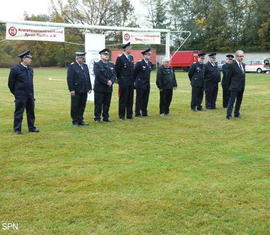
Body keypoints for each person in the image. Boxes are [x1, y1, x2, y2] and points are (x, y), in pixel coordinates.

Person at [8, 50, 39, 134]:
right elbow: (11, 84)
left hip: (30, 95)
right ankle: (17, 129)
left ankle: (31, 128)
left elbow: (30, 83)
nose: (30, 60)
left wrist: (32, 94)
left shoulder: (30, 69)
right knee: (19, 112)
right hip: (20, 95)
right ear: (24, 59)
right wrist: (17, 93)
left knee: (31, 112)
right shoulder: (15, 69)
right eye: (29, 58)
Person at [67, 52, 92, 126]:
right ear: (77, 58)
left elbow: (87, 77)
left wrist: (89, 87)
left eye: (83, 58)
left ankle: (81, 120)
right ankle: (75, 121)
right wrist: (71, 89)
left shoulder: (85, 66)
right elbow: (69, 79)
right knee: (75, 105)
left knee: (82, 105)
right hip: (76, 89)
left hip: (84, 89)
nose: (83, 59)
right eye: (82, 58)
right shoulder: (72, 66)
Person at [93, 48, 116, 122]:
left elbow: (114, 75)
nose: (106, 56)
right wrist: (107, 81)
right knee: (98, 103)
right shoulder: (97, 64)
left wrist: (111, 81)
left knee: (107, 103)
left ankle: (106, 117)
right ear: (101, 55)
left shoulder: (111, 64)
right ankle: (97, 118)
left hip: (109, 87)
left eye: (107, 55)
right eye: (104, 54)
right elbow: (98, 75)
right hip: (100, 87)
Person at [115, 42, 135, 120]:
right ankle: (122, 115)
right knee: (123, 99)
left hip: (130, 81)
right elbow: (117, 70)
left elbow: (132, 70)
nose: (131, 49)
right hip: (123, 81)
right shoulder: (120, 58)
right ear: (126, 49)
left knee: (130, 98)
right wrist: (120, 80)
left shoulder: (131, 57)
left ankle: (129, 115)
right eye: (130, 48)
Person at [226, 50, 246, 120]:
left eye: (242, 56)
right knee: (232, 101)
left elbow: (242, 76)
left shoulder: (243, 65)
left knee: (239, 101)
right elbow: (228, 77)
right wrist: (229, 86)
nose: (242, 58)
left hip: (241, 86)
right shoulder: (232, 65)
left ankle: (236, 113)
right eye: (240, 56)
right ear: (236, 57)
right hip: (234, 87)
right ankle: (228, 115)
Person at [134, 48, 153, 117]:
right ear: (144, 55)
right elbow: (135, 73)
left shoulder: (150, 63)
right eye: (147, 55)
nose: (148, 56)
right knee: (139, 98)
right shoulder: (139, 63)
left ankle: (144, 112)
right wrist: (135, 82)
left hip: (147, 84)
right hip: (140, 83)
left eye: (149, 55)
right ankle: (137, 113)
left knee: (145, 98)